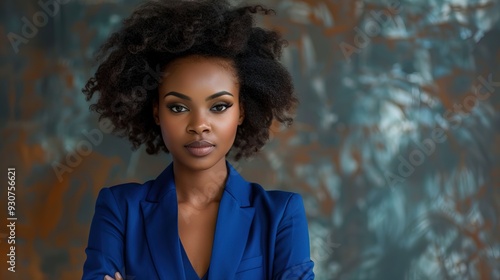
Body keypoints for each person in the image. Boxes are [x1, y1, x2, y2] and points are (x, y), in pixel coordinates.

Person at [81, 0, 314, 279]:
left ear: (242, 110)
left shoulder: (280, 214)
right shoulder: (120, 209)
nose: (199, 125)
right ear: (156, 111)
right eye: (178, 107)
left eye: (219, 106)